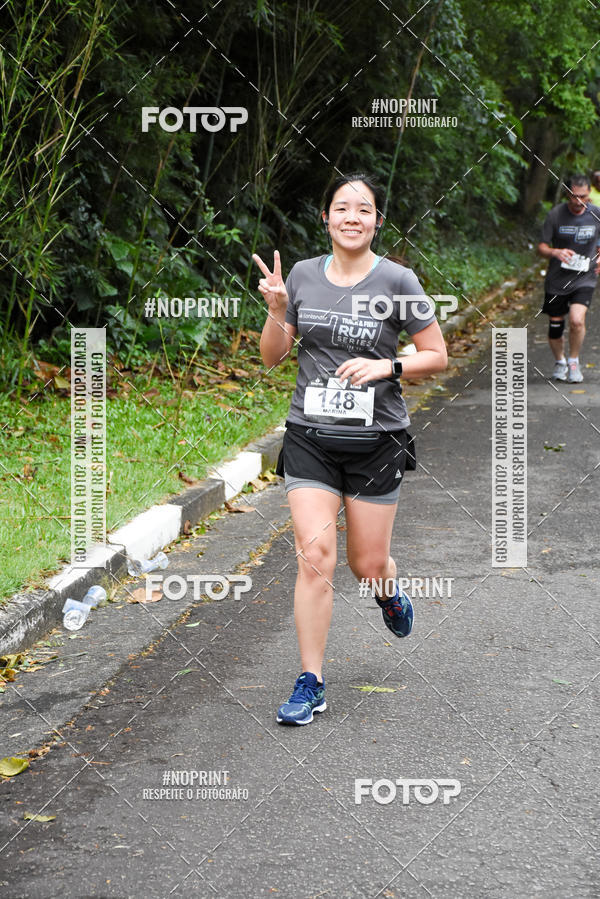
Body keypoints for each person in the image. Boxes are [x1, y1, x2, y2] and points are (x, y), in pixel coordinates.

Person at [253, 173, 447, 725]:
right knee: (314, 558)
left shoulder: (398, 279)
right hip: (310, 436)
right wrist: (276, 308)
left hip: (376, 440)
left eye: (364, 209)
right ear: (326, 218)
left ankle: (388, 592)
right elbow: (272, 357)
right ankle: (310, 680)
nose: (353, 217)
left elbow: (437, 354)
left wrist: (387, 365)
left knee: (365, 564)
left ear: (377, 221)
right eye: (342, 207)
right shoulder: (301, 276)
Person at [538, 174, 600, 383]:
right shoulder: (556, 215)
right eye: (574, 196)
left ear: (589, 193)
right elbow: (542, 247)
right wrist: (555, 252)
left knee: (576, 320)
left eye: (582, 196)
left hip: (585, 278)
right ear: (568, 194)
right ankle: (560, 361)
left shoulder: (596, 214)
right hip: (557, 279)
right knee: (556, 327)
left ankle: (573, 361)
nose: (578, 201)